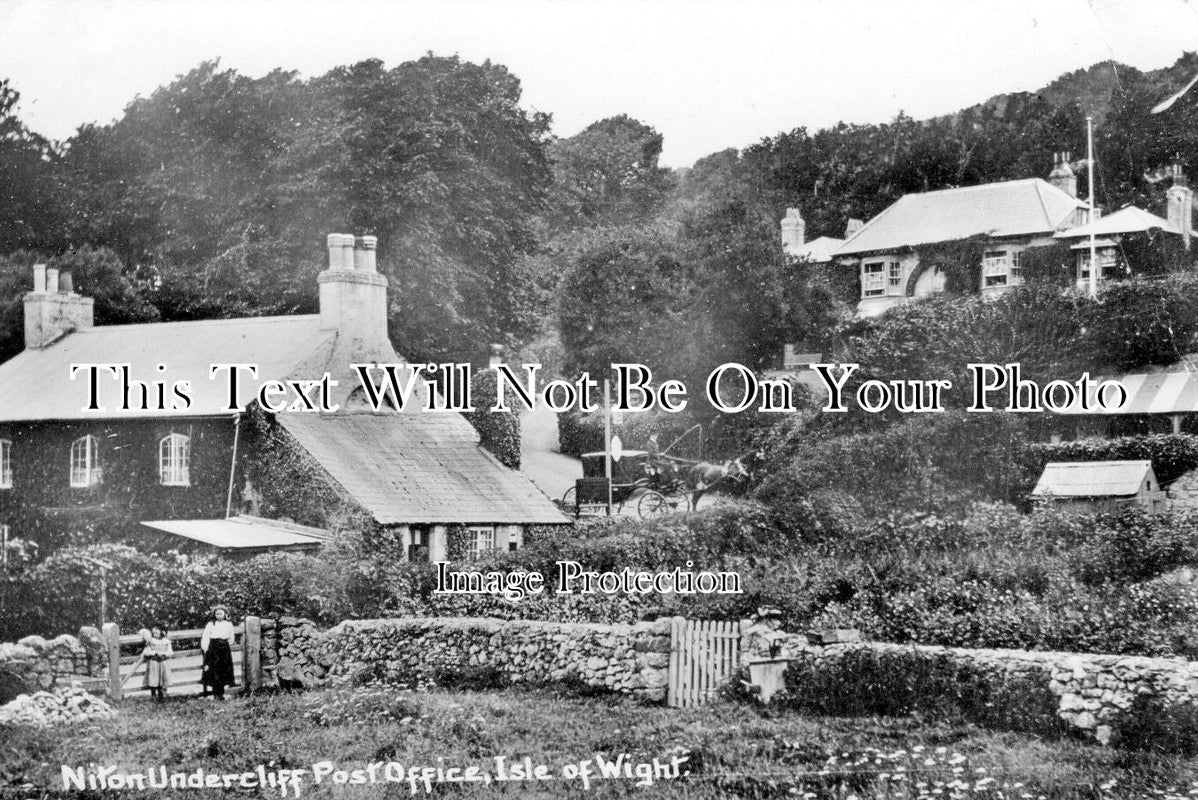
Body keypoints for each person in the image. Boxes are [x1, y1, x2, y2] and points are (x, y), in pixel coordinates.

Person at [200, 606, 236, 700]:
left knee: (224, 670)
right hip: (214, 649)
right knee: (214, 670)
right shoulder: (211, 624)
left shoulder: (228, 624)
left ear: (225, 614)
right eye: (217, 614)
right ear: (214, 615)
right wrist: (206, 648)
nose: (219, 616)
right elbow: (206, 636)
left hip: (224, 649)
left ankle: (222, 693)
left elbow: (231, 637)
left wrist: (226, 644)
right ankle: (216, 693)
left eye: (221, 613)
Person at [141, 625, 173, 702]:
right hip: (154, 663)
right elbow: (146, 651)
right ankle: (153, 695)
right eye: (153, 633)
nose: (155, 635)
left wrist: (164, 654)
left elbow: (170, 652)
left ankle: (162, 695)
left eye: (157, 633)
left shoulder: (166, 641)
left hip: (163, 663)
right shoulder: (151, 641)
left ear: (162, 632)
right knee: (153, 679)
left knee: (162, 679)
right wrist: (154, 653)